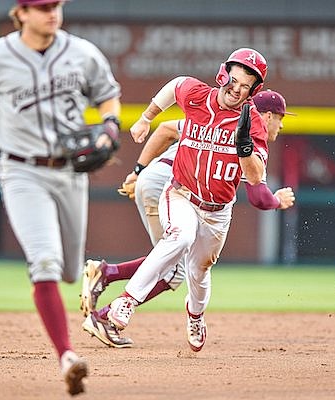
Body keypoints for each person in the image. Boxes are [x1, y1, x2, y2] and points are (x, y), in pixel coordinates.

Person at [0, 0, 121, 395]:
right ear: (22, 12)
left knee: (68, 271)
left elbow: (107, 94)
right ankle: (67, 356)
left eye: (56, 5)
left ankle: (86, 275)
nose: (52, 13)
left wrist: (110, 125)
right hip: (21, 170)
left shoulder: (81, 52)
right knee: (44, 262)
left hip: (69, 171)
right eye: (43, 7)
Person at [92, 48, 295, 353]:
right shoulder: (198, 95)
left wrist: (245, 151)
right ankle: (126, 301)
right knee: (180, 237)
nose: (236, 90)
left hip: (217, 211)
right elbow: (175, 85)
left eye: (245, 86)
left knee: (199, 272)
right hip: (180, 193)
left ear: (254, 91)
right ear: (223, 74)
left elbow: (255, 182)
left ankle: (195, 316)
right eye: (234, 80)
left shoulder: (251, 123)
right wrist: (147, 116)